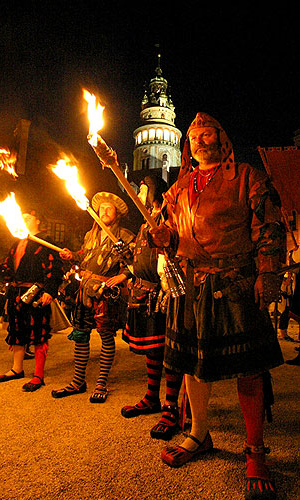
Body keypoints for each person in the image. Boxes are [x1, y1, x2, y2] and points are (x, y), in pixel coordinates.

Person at [150, 113, 285, 500]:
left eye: (207, 134)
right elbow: (169, 230)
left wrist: (268, 272)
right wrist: (161, 235)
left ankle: (255, 450)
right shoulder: (180, 185)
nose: (200, 141)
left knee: (248, 367)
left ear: (222, 139)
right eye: (194, 138)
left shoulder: (247, 177)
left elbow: (269, 227)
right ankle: (199, 432)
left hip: (237, 282)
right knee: (193, 363)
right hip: (193, 284)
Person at [52, 192, 135, 403]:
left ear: (117, 214)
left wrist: (121, 276)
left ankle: (101, 383)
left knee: (106, 337)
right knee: (80, 336)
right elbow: (85, 257)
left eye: (109, 208)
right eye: (102, 208)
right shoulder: (90, 235)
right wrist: (73, 256)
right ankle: (78, 381)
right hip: (85, 290)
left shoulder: (125, 236)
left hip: (106, 293)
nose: (104, 211)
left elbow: (136, 262)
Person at [119, 175, 184, 440]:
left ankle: (171, 407)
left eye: (145, 188)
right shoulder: (147, 218)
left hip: (165, 292)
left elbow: (175, 247)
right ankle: (150, 397)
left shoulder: (169, 214)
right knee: (153, 349)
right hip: (144, 291)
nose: (140, 191)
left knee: (170, 351)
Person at [0, 210, 63, 392]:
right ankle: (17, 369)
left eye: (27, 217)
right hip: (15, 293)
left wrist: (50, 291)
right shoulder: (16, 243)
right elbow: (8, 270)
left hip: (35, 293)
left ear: (38, 220)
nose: (23, 220)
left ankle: (38, 375)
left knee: (38, 332)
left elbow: (56, 269)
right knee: (16, 330)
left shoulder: (45, 242)